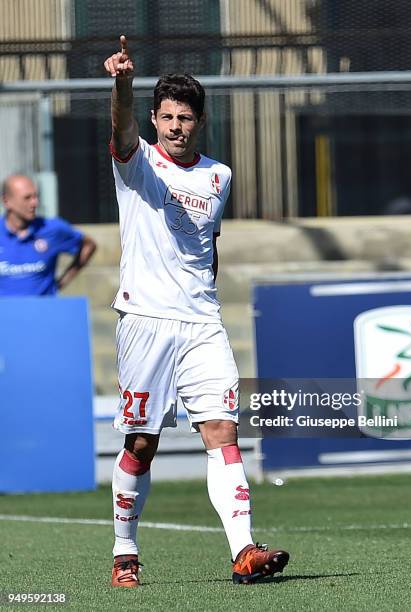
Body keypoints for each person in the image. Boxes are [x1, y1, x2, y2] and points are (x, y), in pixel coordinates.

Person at [104, 35, 289, 587]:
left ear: (200, 121)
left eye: (185, 118)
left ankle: (243, 550)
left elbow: (209, 246)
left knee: (222, 431)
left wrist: (204, 296)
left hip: (202, 323)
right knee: (142, 443)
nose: (175, 127)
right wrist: (122, 85)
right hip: (145, 321)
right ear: (154, 119)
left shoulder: (219, 176)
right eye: (166, 117)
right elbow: (120, 128)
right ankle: (124, 551)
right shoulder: (137, 166)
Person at [0, 174, 97, 295]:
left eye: (36, 196)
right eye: (27, 198)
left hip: (43, 311)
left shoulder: (52, 229)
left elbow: (88, 245)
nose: (35, 202)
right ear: (6, 201)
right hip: (4, 313)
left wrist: (61, 283)